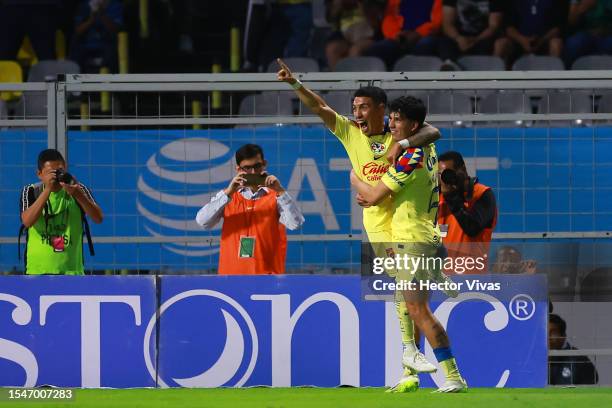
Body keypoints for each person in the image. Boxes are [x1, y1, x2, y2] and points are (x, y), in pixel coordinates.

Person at [276, 58, 444, 392]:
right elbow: (320, 106)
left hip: (406, 217)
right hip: (378, 221)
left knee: (408, 293)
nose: (357, 114)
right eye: (354, 108)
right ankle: (410, 355)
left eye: (364, 107)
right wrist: (295, 84)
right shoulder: (350, 133)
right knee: (403, 285)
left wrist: (402, 145)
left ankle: (409, 361)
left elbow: (433, 130)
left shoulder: (402, 133)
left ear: (382, 109)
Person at [350, 95, 468, 392]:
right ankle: (409, 373)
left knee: (417, 310)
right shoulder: (425, 147)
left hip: (411, 240)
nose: (391, 123)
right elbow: (430, 130)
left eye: (397, 119)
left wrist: (355, 178)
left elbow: (374, 196)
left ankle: (453, 376)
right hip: (423, 236)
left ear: (412, 124)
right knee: (406, 302)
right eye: (390, 117)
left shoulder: (410, 158)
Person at [195, 144, 304, 275]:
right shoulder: (227, 196)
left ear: (264, 164)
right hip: (230, 277)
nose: (253, 172)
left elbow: (296, 224)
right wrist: (229, 192)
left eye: (257, 166)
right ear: (238, 169)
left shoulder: (277, 196)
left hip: (268, 277)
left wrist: (280, 191)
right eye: (247, 168)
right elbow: (202, 221)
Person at [20, 149, 103, 275]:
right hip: (37, 273)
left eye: (59, 171)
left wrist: (77, 194)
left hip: (72, 273)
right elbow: (27, 221)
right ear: (39, 174)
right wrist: (47, 189)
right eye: (50, 172)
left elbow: (98, 218)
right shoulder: (31, 191)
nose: (55, 176)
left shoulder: (78, 189)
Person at [437, 151, 497, 274]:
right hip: (441, 278)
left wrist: (451, 197)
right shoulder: (437, 198)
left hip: (472, 278)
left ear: (463, 170)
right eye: (440, 174)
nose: (445, 178)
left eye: (449, 173)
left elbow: (472, 228)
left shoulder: (482, 194)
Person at [363, 0, 442, 68]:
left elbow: (437, 22)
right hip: (399, 39)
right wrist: (396, 35)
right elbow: (389, 20)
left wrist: (418, 33)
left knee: (425, 45)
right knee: (375, 50)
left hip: (425, 36)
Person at [438, 0, 510, 66]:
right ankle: (450, 66)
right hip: (459, 37)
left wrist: (475, 40)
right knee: (444, 42)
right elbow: (447, 24)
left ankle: (488, 74)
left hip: (483, 37)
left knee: (494, 44)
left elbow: (493, 27)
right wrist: (459, 39)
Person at [503, 0, 569, 62]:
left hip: (545, 41)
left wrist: (541, 40)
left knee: (556, 43)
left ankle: (555, 73)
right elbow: (509, 28)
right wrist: (523, 40)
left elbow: (558, 28)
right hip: (519, 42)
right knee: (501, 44)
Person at [324, 0, 380, 71]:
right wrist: (336, 7)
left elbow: (375, 21)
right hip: (345, 35)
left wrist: (362, 5)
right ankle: (338, 80)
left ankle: (354, 80)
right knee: (332, 49)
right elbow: (329, 18)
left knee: (355, 50)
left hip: (367, 34)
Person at [70, 0, 123, 73]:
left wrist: (102, 15)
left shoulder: (115, 5)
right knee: (75, 53)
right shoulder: (84, 5)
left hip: (106, 45)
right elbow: (78, 31)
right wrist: (91, 19)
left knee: (112, 54)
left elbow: (116, 29)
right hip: (86, 46)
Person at [549, 313, 599, 385]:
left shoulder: (578, 358)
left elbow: (592, 381)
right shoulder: (534, 357)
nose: (548, 338)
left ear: (563, 336)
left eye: (553, 334)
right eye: (544, 333)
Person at [564, 0, 612, 67]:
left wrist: (603, 31)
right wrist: (581, 9)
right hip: (585, 34)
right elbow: (571, 23)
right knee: (574, 44)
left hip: (607, 34)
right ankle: (568, 75)